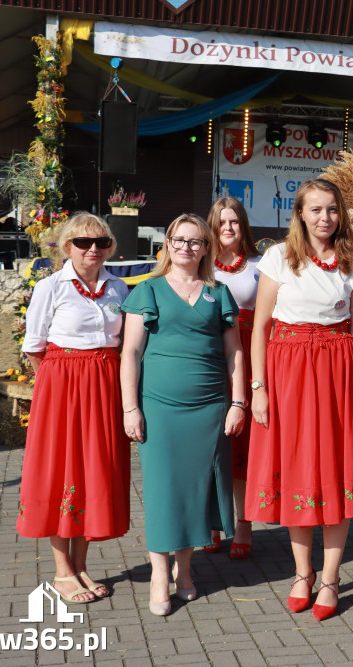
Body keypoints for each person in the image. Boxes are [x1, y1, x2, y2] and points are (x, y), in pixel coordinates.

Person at [246, 178, 353, 621]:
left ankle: (330, 578)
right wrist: (258, 388)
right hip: (288, 371)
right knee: (298, 471)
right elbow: (261, 326)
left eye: (333, 210)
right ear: (300, 213)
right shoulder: (278, 257)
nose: (325, 218)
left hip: (338, 372)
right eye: (316, 209)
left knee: (337, 473)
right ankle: (302, 573)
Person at [120, 214, 247, 616]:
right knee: (162, 492)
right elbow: (131, 354)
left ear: (206, 248)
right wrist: (130, 408)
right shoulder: (149, 291)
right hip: (159, 408)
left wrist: (238, 402)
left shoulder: (219, 292)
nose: (186, 248)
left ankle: (186, 570)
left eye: (195, 241)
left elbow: (234, 353)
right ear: (168, 244)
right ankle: (160, 574)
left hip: (209, 409)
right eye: (179, 240)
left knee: (196, 491)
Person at [17, 213, 130, 604]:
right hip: (63, 387)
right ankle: (61, 570)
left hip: (104, 385)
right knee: (60, 471)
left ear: (110, 247)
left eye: (100, 242)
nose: (92, 249)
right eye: (83, 243)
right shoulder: (51, 287)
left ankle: (81, 565)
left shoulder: (119, 288)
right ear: (68, 247)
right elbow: (34, 346)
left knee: (92, 471)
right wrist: (59, 383)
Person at [205, 196, 262, 559]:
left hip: (249, 356)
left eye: (235, 222)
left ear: (243, 226)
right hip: (208, 360)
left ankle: (243, 524)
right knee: (209, 443)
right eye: (222, 222)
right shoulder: (199, 265)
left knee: (241, 445)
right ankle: (212, 522)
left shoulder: (260, 265)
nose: (228, 228)